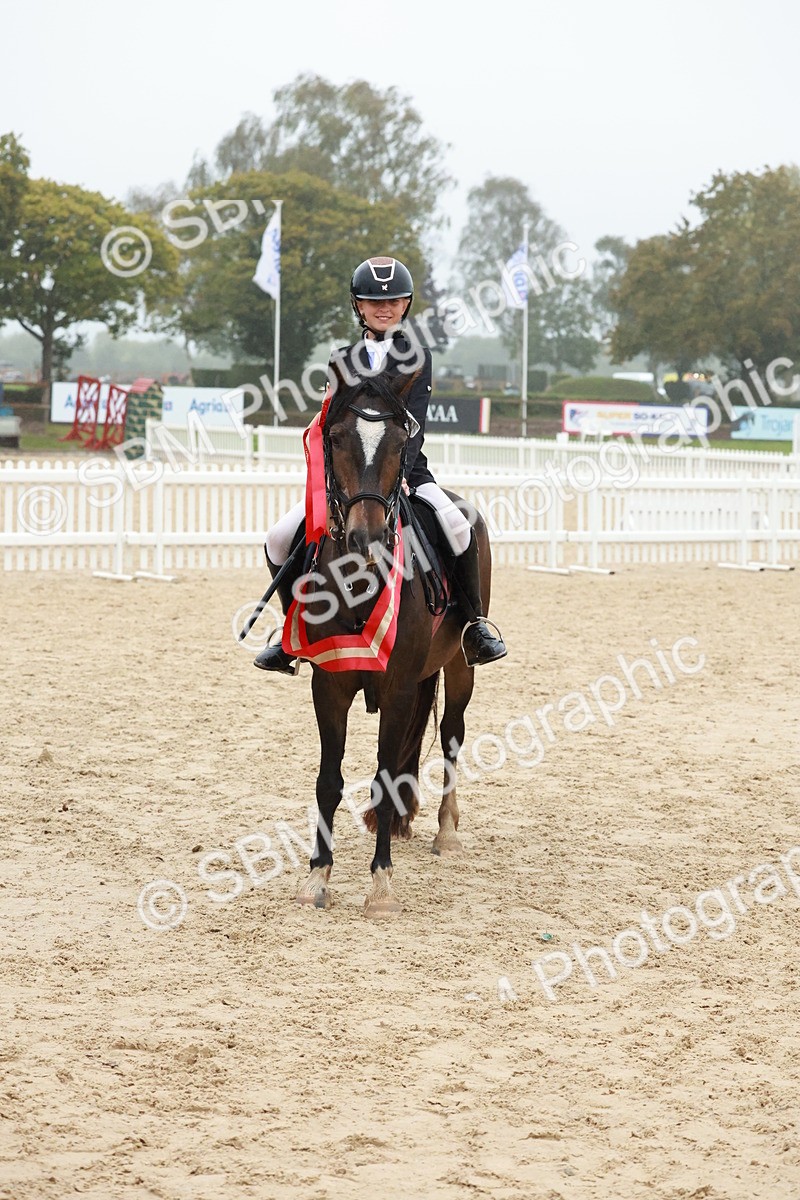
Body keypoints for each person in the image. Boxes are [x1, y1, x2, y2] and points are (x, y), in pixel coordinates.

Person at [254, 255, 507, 675]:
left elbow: (414, 426)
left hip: (405, 474)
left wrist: (400, 477)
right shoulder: (341, 359)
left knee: (461, 526)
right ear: (358, 306)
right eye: (373, 302)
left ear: (406, 304)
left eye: (393, 301)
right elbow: (332, 423)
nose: (383, 308)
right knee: (279, 537)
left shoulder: (417, 356)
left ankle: (473, 626)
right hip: (351, 481)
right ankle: (291, 632)